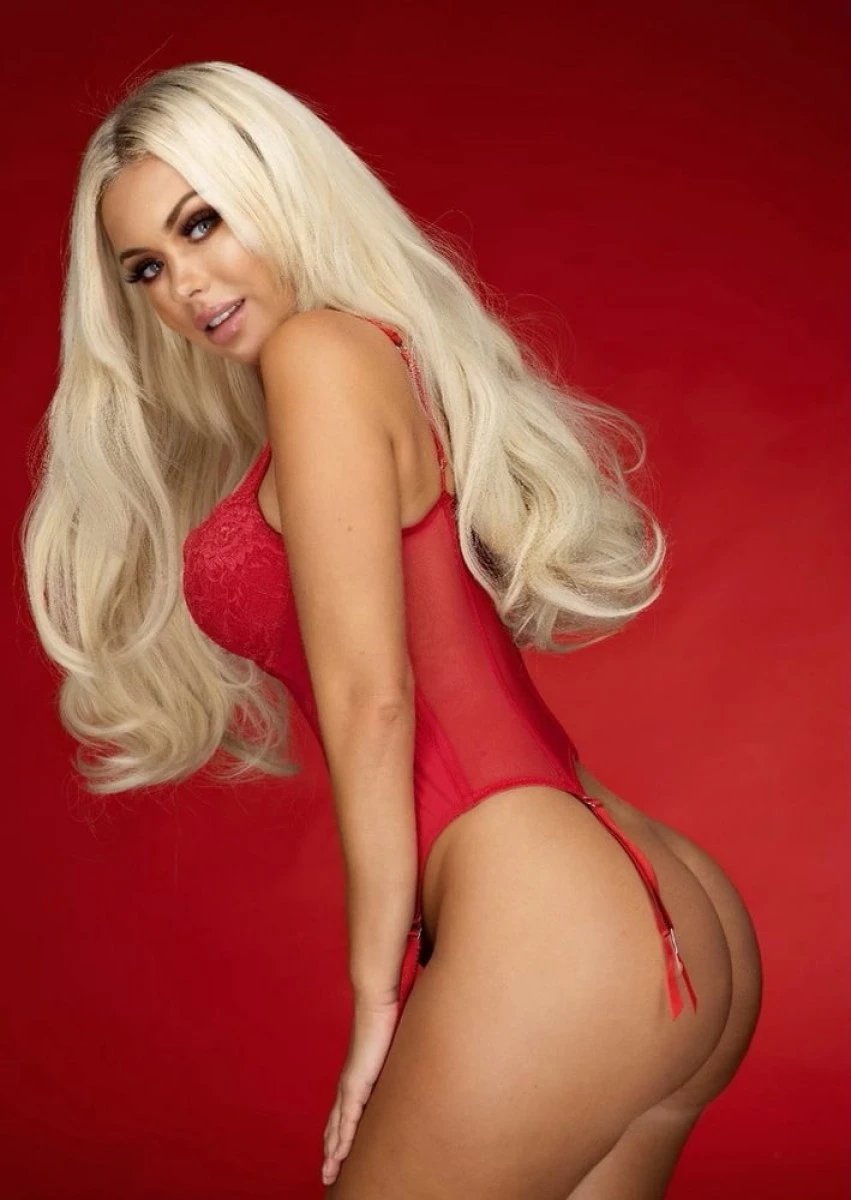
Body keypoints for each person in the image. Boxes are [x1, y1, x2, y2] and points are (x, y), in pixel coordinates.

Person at [21, 60, 763, 1198]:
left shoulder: (317, 357)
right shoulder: (375, 355)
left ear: (277, 188)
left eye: (202, 222)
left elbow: (372, 702)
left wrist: (376, 1001)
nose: (185, 285)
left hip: (545, 917)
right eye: (147, 268)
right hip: (643, 888)